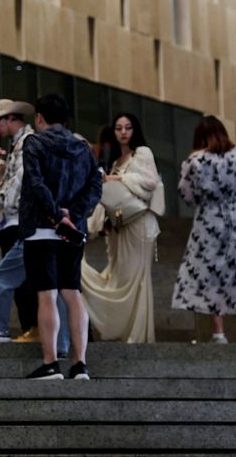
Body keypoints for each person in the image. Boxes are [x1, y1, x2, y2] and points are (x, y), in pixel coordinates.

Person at [0, 99, 70, 346]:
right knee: (52, 285)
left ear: (12, 118)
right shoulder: (27, 144)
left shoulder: (28, 143)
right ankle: (63, 342)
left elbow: (23, 183)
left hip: (31, 223)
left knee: (8, 277)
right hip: (47, 223)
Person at [21, 94, 101, 380]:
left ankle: (50, 361)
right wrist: (73, 214)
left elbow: (36, 183)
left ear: (39, 117)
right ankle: (80, 363)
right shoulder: (82, 148)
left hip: (42, 228)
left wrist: (56, 215)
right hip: (73, 230)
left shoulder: (35, 143)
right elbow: (95, 186)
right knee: (72, 292)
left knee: (47, 295)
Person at [172, 115, 236, 344]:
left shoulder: (196, 161)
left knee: (211, 272)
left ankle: (219, 333)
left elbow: (186, 195)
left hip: (211, 219)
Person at [81, 113, 163, 343]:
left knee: (135, 280)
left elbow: (150, 182)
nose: (123, 132)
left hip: (139, 223)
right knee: (120, 278)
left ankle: (137, 336)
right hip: (119, 226)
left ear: (134, 130)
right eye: (119, 128)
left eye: (127, 127)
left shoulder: (142, 153)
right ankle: (125, 332)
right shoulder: (116, 161)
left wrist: (119, 180)